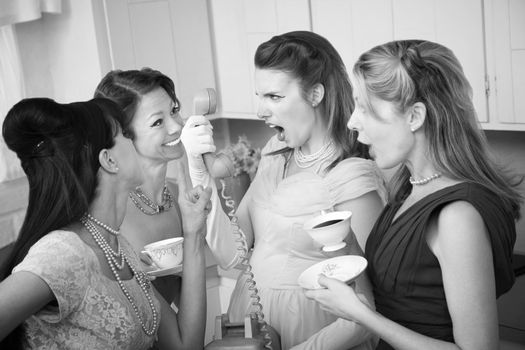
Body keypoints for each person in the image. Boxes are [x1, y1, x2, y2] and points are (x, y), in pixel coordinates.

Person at [304, 39, 523, 350]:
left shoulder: (457, 215)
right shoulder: (408, 188)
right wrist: (345, 242)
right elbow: (389, 297)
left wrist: (360, 316)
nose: (352, 122)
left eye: (365, 108)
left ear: (414, 116)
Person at [184, 31, 387, 350]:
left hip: (313, 333)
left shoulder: (352, 176)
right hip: (250, 323)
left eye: (274, 97)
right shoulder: (273, 155)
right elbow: (232, 254)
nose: (261, 111)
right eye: (260, 96)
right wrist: (199, 172)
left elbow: (367, 308)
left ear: (316, 94)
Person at [0, 97, 211, 349]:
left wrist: (193, 230)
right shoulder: (64, 252)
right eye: (125, 135)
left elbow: (185, 345)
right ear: (109, 160)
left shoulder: (119, 250)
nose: (135, 140)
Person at [94, 68, 210, 304]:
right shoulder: (108, 213)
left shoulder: (181, 198)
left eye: (174, 111)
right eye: (158, 122)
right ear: (123, 135)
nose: (177, 126)